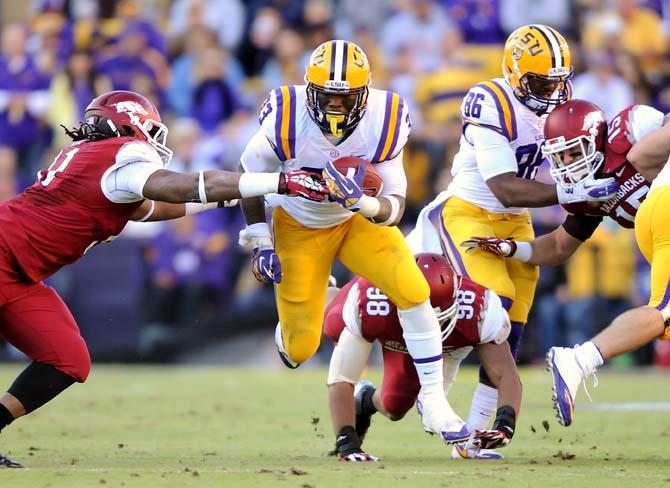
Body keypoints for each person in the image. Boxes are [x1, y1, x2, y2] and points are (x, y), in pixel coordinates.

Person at [0, 89, 326, 468]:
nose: (154, 140)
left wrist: (235, 196)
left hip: (20, 271)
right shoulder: (120, 154)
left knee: (67, 359)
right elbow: (183, 186)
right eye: (149, 129)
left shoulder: (92, 159)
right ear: (127, 124)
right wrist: (278, 182)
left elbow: (149, 208)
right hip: (6, 255)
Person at [239, 40, 460, 441]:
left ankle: (435, 402)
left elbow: (395, 205)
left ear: (364, 94)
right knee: (298, 351)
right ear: (309, 89)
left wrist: (361, 202)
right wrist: (260, 241)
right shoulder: (286, 117)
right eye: (325, 97)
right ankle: (315, 301)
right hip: (299, 224)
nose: (333, 108)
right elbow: (247, 177)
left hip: (357, 220)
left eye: (344, 99)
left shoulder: (386, 117)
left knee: (412, 287)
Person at [404, 25, 619, 438]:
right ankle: (436, 380)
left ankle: (480, 432)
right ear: (515, 72)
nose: (552, 92)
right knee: (493, 310)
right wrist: (571, 190)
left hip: (518, 219)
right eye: (540, 82)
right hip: (469, 211)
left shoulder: (558, 106)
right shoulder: (491, 101)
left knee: (514, 330)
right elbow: (502, 187)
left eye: (558, 82)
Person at [459, 99, 666, 426]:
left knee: (664, 320)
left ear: (597, 138)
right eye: (561, 155)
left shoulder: (627, 129)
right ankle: (578, 359)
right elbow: (558, 246)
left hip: (658, 218)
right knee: (663, 311)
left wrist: (642, 159)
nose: (568, 162)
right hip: (659, 223)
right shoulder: (583, 195)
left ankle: (580, 359)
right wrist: (514, 249)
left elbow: (647, 147)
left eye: (574, 151)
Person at [324, 253, 521, 461]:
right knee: (330, 324)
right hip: (392, 329)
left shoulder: (478, 306)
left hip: (409, 334)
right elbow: (342, 378)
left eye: (438, 319)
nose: (431, 326)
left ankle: (364, 399)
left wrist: (505, 424)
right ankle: (324, 292)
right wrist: (348, 445)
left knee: (394, 406)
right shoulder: (370, 301)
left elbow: (505, 373)